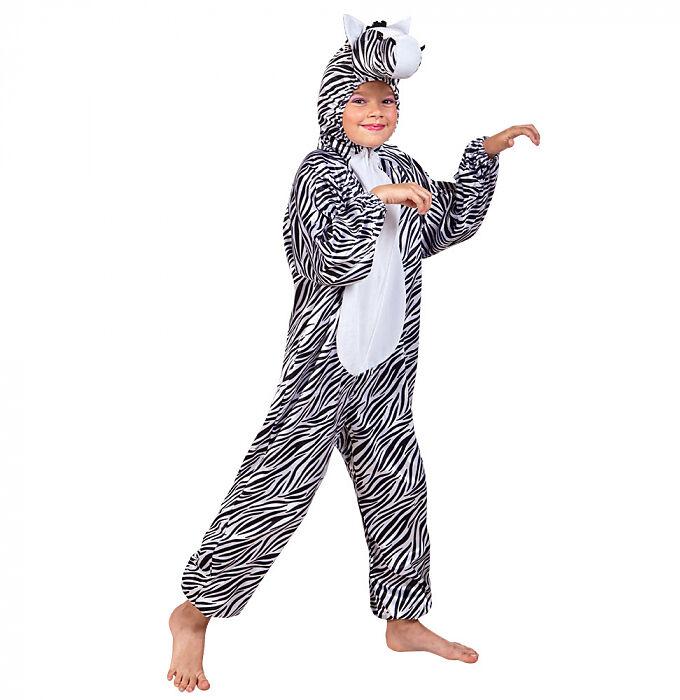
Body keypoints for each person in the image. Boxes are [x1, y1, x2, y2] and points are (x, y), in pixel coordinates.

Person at [167, 14, 540, 692]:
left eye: (388, 100)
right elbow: (325, 258)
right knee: (274, 492)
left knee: (400, 488)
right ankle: (194, 614)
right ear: (333, 104)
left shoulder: (402, 165)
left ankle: (403, 619)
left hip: (389, 368)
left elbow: (446, 223)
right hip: (322, 370)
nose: (377, 111)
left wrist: (483, 156)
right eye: (361, 99)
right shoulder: (318, 173)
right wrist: (375, 203)